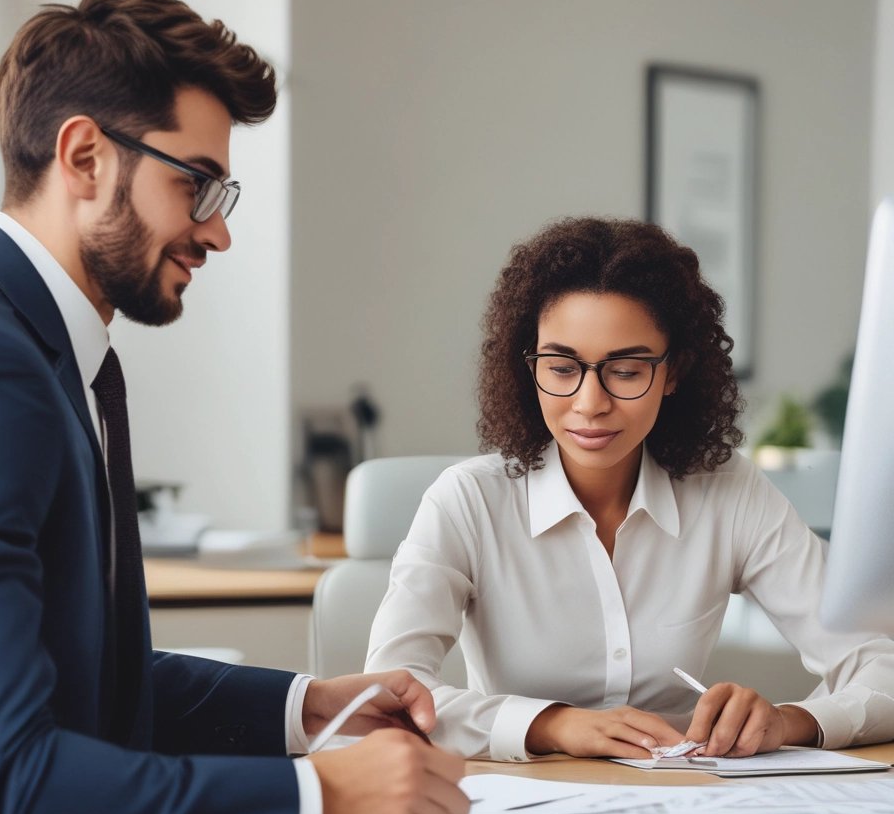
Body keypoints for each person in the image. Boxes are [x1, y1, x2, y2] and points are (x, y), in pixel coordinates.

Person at [0, 0, 468, 814]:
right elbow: (0, 793)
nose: (218, 230)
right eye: (197, 183)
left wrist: (308, 709)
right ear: (84, 156)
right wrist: (323, 799)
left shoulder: (46, 357)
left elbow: (79, 685)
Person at [365, 216, 894, 763]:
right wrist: (552, 726)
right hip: (518, 807)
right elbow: (389, 697)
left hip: (683, 801)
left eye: (626, 368)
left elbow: (884, 663)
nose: (590, 402)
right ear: (530, 367)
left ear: (673, 372)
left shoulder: (728, 492)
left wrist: (789, 722)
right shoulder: (467, 502)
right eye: (562, 366)